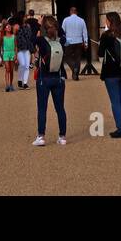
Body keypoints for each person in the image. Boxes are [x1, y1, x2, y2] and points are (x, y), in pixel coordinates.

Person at [98, 11, 121, 138]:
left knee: (115, 101)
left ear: (109, 22)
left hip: (111, 72)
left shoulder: (106, 35)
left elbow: (100, 53)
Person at [32, 14, 68, 146]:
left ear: (44, 28)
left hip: (44, 78)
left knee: (42, 108)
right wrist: (55, 24)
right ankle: (62, 136)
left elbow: (31, 39)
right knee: (60, 108)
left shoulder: (41, 40)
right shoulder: (62, 40)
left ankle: (41, 136)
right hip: (58, 78)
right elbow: (63, 32)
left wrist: (38, 24)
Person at [61, 6, 89, 80]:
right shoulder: (81, 20)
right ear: (76, 12)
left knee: (67, 57)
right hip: (79, 41)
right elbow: (85, 33)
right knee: (78, 58)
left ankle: (74, 68)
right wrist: (86, 43)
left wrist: (62, 41)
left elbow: (62, 32)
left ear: (70, 12)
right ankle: (75, 74)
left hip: (68, 40)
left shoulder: (66, 20)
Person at [15, 11, 35, 89]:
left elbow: (30, 37)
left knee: (27, 66)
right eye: (24, 17)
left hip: (27, 47)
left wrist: (32, 49)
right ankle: (20, 79)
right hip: (20, 48)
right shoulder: (16, 26)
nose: (26, 18)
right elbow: (14, 38)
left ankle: (25, 83)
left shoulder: (28, 26)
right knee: (22, 64)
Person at [0, 21, 18, 91]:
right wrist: (1, 55)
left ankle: (11, 84)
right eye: (7, 27)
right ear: (5, 29)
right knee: (7, 69)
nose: (9, 28)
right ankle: (7, 85)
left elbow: (16, 46)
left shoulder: (14, 36)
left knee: (11, 70)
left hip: (12, 53)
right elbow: (1, 46)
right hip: (6, 53)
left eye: (10, 27)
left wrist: (16, 55)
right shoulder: (3, 37)